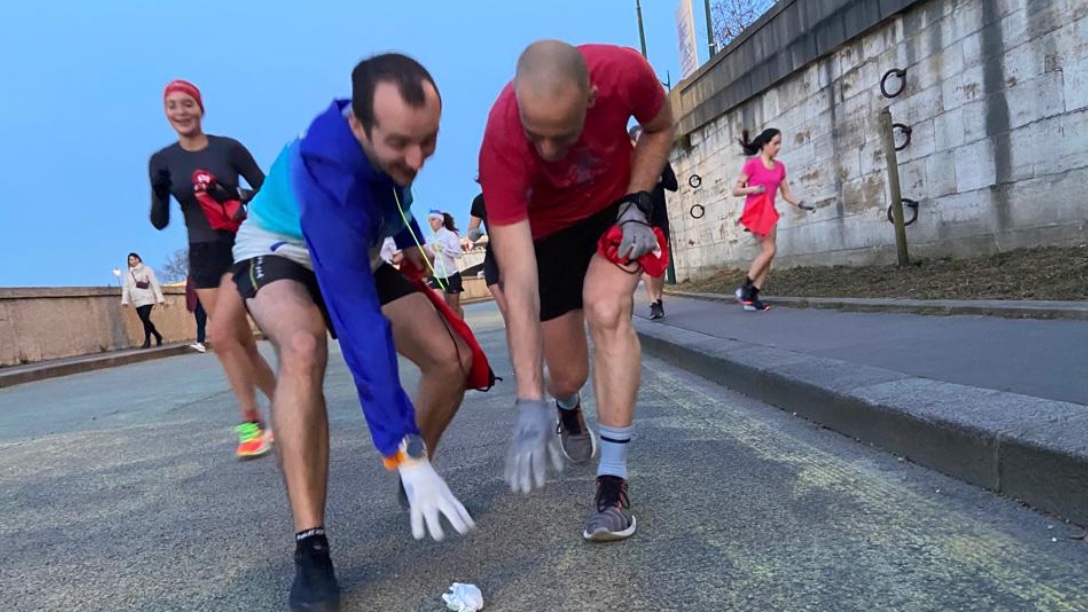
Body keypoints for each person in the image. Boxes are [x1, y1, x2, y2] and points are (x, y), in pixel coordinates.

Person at [231, 53, 485, 611]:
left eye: (430, 141)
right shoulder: (329, 173)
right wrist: (400, 442)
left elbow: (396, 202)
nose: (417, 158)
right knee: (303, 347)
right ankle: (311, 547)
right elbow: (361, 328)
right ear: (356, 127)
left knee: (453, 359)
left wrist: (423, 261)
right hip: (283, 249)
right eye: (401, 144)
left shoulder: (392, 143)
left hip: (359, 251)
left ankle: (411, 471)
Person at [479, 40, 675, 542]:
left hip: (613, 209)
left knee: (608, 310)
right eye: (535, 136)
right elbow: (519, 287)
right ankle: (568, 404)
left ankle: (612, 485)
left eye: (559, 137)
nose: (546, 152)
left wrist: (637, 201)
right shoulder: (500, 142)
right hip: (545, 236)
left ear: (591, 98)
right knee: (566, 374)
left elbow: (659, 127)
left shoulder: (625, 71)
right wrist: (530, 402)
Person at [148, 79, 277, 459]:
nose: (181, 112)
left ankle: (252, 424)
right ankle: (290, 404)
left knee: (219, 336)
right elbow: (159, 222)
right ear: (166, 112)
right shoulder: (162, 160)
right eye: (172, 105)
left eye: (187, 103)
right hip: (201, 256)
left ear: (200, 108)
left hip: (238, 247)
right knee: (241, 344)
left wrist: (232, 193)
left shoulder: (228, 148)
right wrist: (158, 191)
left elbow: (268, 191)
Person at [731, 128, 809, 312]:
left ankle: (752, 297)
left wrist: (801, 204)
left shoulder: (780, 167)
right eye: (775, 143)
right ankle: (745, 288)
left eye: (779, 143)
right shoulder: (753, 165)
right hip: (756, 211)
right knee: (769, 249)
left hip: (770, 212)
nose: (778, 147)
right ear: (765, 144)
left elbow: (786, 193)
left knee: (770, 254)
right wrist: (753, 189)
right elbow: (736, 190)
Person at [629, 125, 678, 320]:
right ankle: (653, 302)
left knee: (660, 262)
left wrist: (660, 176)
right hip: (639, 219)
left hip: (660, 218)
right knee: (646, 262)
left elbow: (673, 185)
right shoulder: (629, 164)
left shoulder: (660, 159)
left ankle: (659, 298)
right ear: (632, 142)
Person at [467, 192, 507, 317]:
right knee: (493, 283)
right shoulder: (479, 200)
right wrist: (475, 234)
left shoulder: (512, 191)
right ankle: (511, 321)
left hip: (517, 247)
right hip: (494, 251)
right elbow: (471, 231)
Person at [425, 210, 465, 319]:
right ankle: (447, 330)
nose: (431, 223)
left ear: (441, 221)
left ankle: (461, 330)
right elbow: (431, 256)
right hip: (438, 276)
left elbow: (458, 254)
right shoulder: (429, 238)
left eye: (433, 220)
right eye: (429, 221)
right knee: (441, 304)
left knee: (454, 308)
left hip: (452, 275)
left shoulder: (450, 235)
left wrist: (443, 249)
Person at [120, 252, 166, 348]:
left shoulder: (146, 269)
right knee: (145, 320)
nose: (130, 261)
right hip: (136, 300)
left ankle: (147, 340)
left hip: (147, 298)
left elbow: (154, 283)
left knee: (145, 318)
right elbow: (126, 287)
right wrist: (125, 300)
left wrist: (160, 298)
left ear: (138, 259)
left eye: (132, 259)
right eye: (129, 260)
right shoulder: (127, 273)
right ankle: (158, 336)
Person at [185, 276, 208, 353]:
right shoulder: (191, 275)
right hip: (196, 302)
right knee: (200, 323)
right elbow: (188, 290)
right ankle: (200, 342)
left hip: (205, 299)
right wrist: (189, 304)